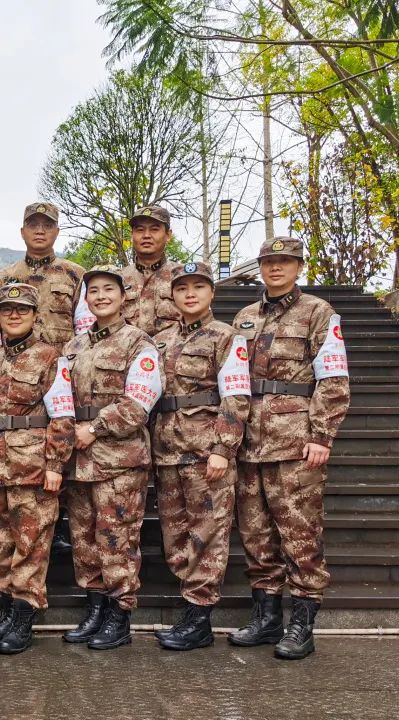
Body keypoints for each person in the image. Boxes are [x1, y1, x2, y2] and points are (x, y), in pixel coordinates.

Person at [230, 237, 350, 660]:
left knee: (300, 535)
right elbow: (231, 378)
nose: (275, 268)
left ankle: (302, 623)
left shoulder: (318, 312)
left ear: (299, 266)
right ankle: (267, 618)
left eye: (284, 261)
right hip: (248, 443)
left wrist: (322, 435)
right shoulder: (244, 317)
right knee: (256, 536)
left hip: (295, 442)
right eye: (268, 262)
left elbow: (333, 378)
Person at [61, 264, 163, 650]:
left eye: (109, 289)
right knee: (84, 540)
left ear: (123, 297)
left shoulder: (139, 343)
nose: (101, 296)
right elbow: (58, 398)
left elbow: (139, 402)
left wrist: (94, 428)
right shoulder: (74, 347)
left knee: (117, 539)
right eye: (94, 291)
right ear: (86, 299)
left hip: (119, 460)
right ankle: (95, 610)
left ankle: (119, 616)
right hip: (79, 461)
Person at [151, 262, 251, 651]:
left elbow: (236, 395)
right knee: (175, 535)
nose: (190, 294)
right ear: (172, 295)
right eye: (182, 288)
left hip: (205, 453)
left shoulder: (226, 337)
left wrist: (223, 448)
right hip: (167, 453)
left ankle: (199, 618)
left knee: (207, 534)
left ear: (212, 292)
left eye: (198, 287)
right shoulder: (159, 341)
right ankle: (189, 609)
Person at [0, 283, 74, 654]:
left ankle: (23, 616)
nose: (14, 315)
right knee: (1, 544)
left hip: (32, 465)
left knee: (31, 544)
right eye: (7, 309)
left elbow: (62, 414)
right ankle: (6, 610)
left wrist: (56, 463)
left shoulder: (50, 358)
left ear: (35, 315)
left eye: (22, 309)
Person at [0, 201, 88, 555]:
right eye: (33, 224)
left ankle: (56, 526)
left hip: (61, 376)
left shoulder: (75, 274)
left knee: (59, 454)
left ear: (57, 231)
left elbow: (85, 329)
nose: (40, 230)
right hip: (14, 379)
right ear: (22, 231)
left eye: (47, 225)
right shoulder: (4, 278)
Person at [119, 205, 180, 337]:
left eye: (154, 229)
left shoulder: (183, 277)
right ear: (132, 235)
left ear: (168, 235)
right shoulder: (118, 279)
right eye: (140, 230)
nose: (146, 235)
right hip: (127, 349)